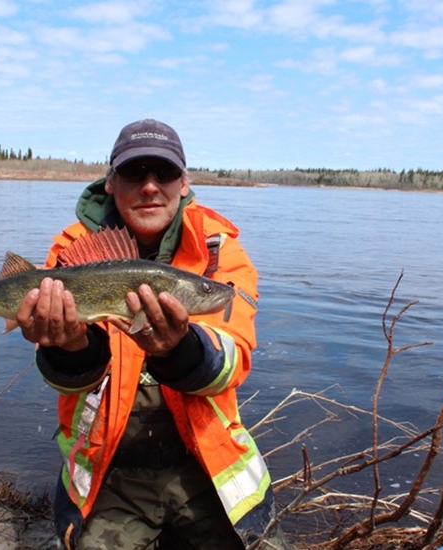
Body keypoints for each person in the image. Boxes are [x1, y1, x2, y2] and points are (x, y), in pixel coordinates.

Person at [16, 119, 289, 550]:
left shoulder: (220, 250)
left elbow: (232, 362)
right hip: (110, 470)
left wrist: (181, 350)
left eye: (163, 174)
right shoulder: (70, 253)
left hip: (205, 463)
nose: (149, 187)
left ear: (184, 184)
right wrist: (70, 348)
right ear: (110, 182)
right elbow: (61, 379)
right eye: (134, 173)